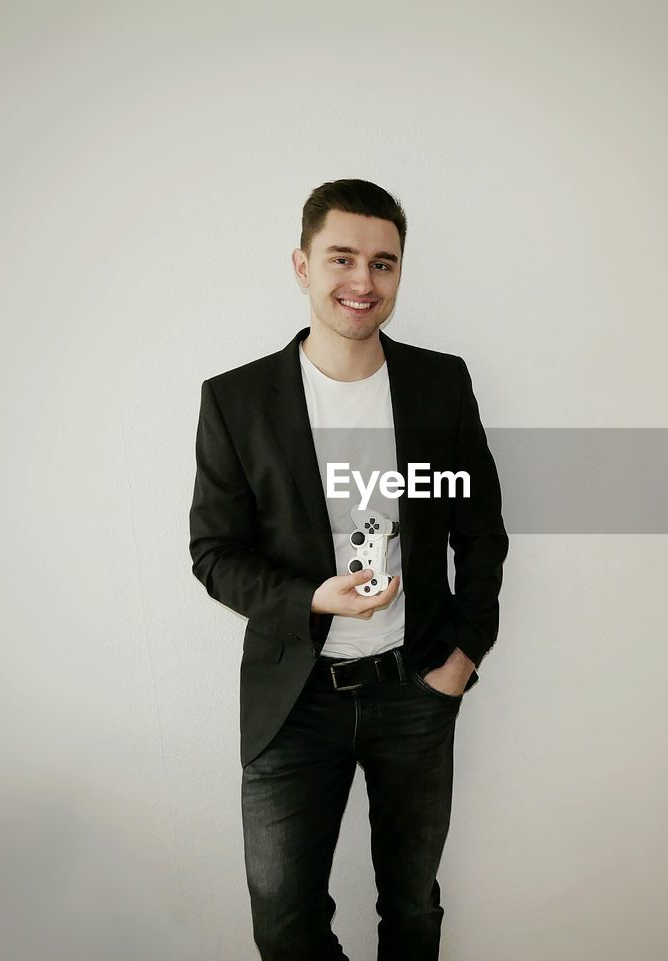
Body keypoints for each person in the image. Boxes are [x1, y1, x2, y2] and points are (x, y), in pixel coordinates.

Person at [188, 178, 509, 960]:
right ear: (302, 264)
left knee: (411, 909)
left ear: (399, 273)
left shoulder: (440, 383)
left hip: (416, 689)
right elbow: (214, 553)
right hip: (292, 701)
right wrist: (312, 598)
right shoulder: (235, 401)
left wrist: (462, 657)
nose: (363, 281)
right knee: (284, 922)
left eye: (384, 263)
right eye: (342, 258)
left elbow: (482, 531)